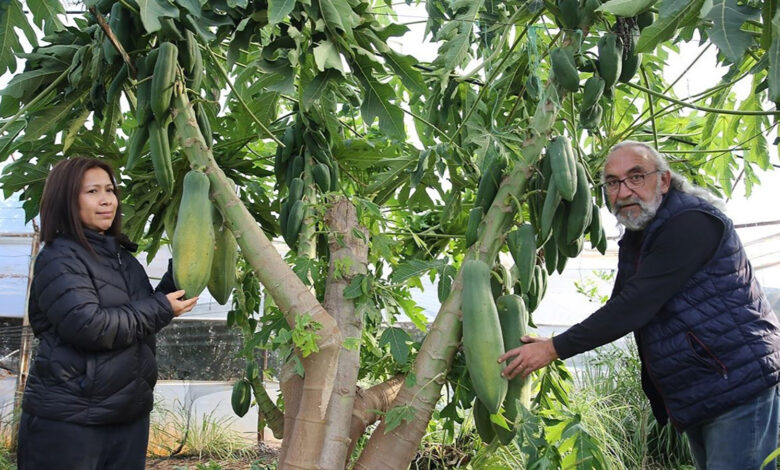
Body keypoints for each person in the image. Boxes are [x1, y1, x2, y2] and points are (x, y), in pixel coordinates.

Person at [499, 141, 780, 469]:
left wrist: (553, 349)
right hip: (706, 386)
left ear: (663, 180)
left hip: (735, 380)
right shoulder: (641, 236)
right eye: (613, 183)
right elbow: (619, 304)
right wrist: (547, 343)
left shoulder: (690, 222)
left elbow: (634, 306)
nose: (624, 191)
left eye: (636, 177)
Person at [16, 157, 198, 469]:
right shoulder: (59, 258)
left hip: (127, 418)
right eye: (92, 192)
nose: (106, 200)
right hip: (71, 423)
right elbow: (91, 327)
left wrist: (186, 259)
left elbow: (143, 315)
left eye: (110, 190)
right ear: (66, 201)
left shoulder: (121, 259)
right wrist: (161, 307)